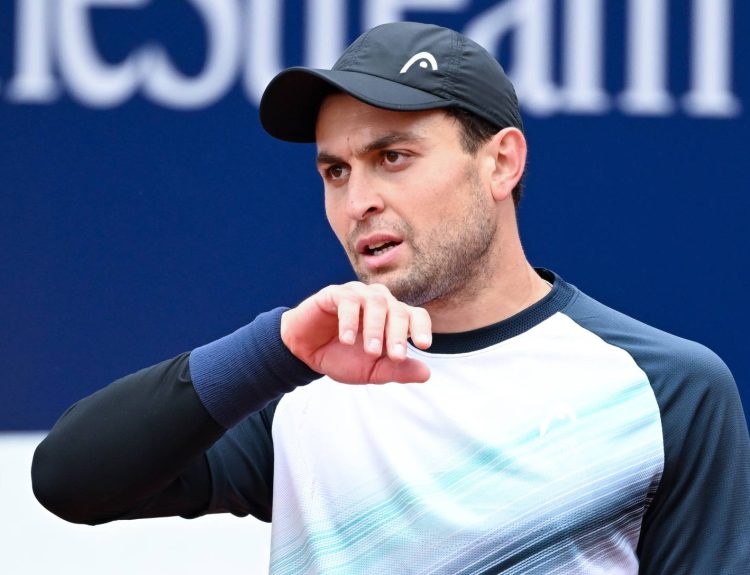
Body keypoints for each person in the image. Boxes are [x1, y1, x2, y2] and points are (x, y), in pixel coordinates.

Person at [32, 21, 749, 574]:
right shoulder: (300, 381)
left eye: (392, 157)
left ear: (501, 162)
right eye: (335, 172)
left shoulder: (665, 387)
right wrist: (276, 348)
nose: (358, 201)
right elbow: (69, 480)